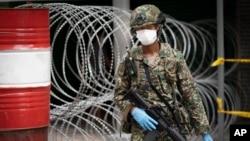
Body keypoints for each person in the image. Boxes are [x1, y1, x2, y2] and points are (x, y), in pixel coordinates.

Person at [113, 4, 213, 141]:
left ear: (158, 27)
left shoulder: (174, 57)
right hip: (142, 132)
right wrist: (133, 110)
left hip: (169, 126)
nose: (144, 31)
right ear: (135, 31)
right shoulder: (130, 59)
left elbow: (190, 95)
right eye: (140, 28)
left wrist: (204, 131)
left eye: (149, 27)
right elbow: (119, 94)